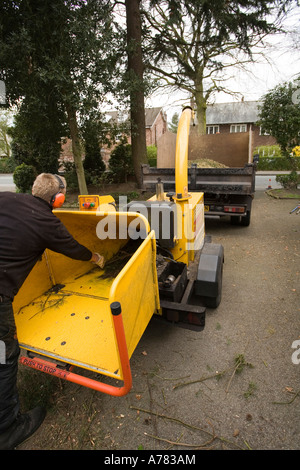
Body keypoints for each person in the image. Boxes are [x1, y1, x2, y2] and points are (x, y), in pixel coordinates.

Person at [0, 173, 104, 450]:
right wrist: (96, 257)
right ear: (57, 198)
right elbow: (73, 249)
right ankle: (8, 430)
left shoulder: (5, 199)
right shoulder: (47, 221)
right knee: (4, 358)